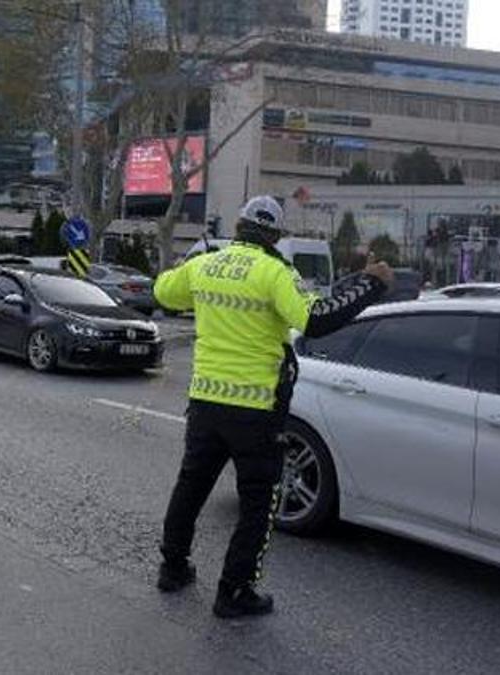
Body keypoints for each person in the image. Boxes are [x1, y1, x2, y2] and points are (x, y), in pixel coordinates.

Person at [152, 196, 393, 619]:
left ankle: (172, 568)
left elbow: (162, 291)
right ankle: (235, 591)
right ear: (275, 236)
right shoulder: (276, 272)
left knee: (190, 487)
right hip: (255, 409)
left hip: (206, 403)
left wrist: (197, 278)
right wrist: (370, 283)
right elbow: (315, 319)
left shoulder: (205, 264)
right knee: (258, 503)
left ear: (241, 225)